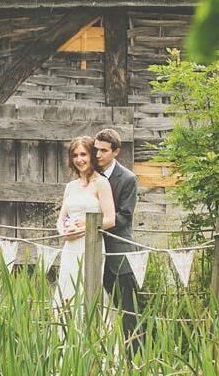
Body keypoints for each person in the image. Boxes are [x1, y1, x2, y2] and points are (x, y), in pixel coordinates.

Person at [94, 128, 142, 354]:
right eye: (96, 150)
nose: (98, 155)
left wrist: (94, 225)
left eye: (103, 151)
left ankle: (135, 356)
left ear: (116, 152)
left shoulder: (128, 178)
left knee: (128, 309)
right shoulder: (89, 174)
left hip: (117, 253)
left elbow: (124, 217)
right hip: (90, 251)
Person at [54, 136, 115, 308]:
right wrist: (64, 232)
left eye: (83, 154)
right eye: (75, 155)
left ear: (92, 156)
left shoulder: (101, 183)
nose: (79, 159)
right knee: (67, 290)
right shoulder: (71, 186)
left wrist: (85, 227)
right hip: (70, 247)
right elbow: (60, 219)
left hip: (91, 245)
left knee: (87, 291)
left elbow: (110, 219)